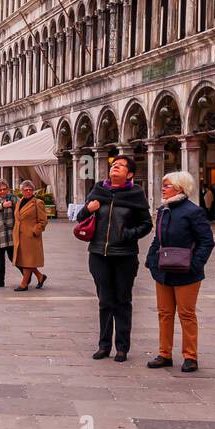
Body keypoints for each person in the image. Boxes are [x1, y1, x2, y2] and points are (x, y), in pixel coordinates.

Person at [83, 155, 153, 362]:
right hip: (98, 254)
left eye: (121, 166)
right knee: (105, 301)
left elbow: (146, 224)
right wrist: (88, 209)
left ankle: (122, 347)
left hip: (124, 255)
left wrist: (127, 234)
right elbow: (81, 218)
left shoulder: (136, 194)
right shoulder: (98, 190)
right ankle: (104, 345)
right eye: (114, 165)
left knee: (122, 301)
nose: (115, 167)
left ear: (129, 174)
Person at [145, 171, 214, 373]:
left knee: (186, 314)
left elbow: (207, 241)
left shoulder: (193, 212)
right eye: (163, 185)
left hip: (187, 273)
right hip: (163, 270)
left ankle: (190, 356)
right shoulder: (163, 210)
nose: (163, 188)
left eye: (167, 185)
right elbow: (157, 239)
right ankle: (164, 354)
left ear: (180, 188)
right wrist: (151, 260)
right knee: (164, 313)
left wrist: (196, 264)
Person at [11, 180, 49, 292]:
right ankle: (40, 276)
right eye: (25, 190)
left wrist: (35, 231)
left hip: (31, 237)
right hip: (19, 236)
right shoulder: (19, 202)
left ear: (33, 191)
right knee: (25, 260)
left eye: (30, 190)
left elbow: (43, 221)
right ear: (21, 191)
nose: (28, 192)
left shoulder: (38, 203)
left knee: (27, 261)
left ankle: (24, 284)